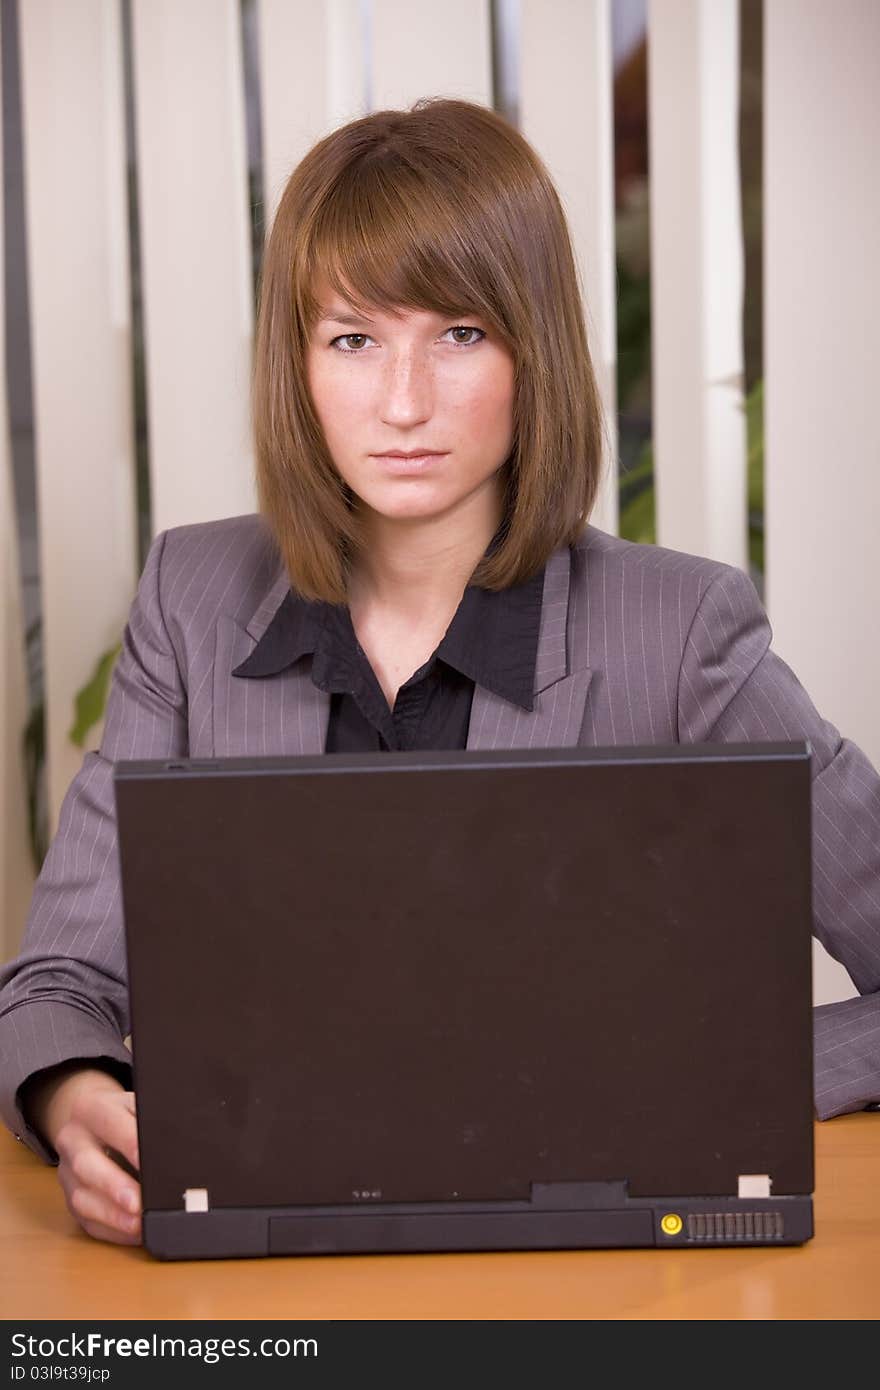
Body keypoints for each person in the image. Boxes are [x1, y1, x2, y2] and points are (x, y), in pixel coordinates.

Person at [1, 98, 878, 1248]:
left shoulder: (680, 630)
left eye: (460, 333)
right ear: (297, 364)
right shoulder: (192, 598)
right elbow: (57, 979)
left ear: (534, 350)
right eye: (353, 338)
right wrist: (78, 1103)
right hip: (260, 1268)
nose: (403, 402)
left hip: (580, 1281)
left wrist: (707, 1081)